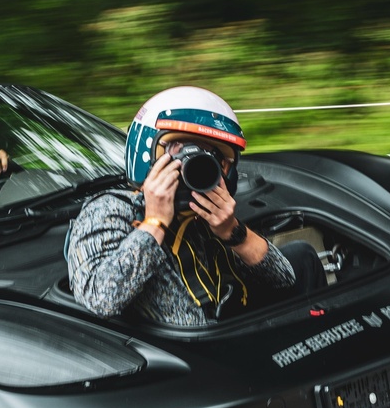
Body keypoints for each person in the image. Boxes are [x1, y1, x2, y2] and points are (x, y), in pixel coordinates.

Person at [67, 86, 319, 325]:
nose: (197, 162)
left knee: (303, 256)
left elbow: (285, 278)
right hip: (190, 343)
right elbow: (100, 299)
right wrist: (154, 223)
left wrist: (233, 232)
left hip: (226, 317)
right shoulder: (110, 209)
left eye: (213, 155)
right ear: (150, 151)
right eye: (180, 148)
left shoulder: (205, 207)